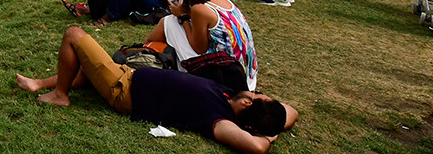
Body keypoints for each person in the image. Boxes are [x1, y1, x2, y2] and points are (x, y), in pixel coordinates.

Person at [15, 27, 294, 153]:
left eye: (258, 96)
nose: (256, 92)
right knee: (86, 67)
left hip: (122, 89)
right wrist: (273, 124)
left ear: (248, 106)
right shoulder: (230, 97)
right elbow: (291, 112)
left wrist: (266, 135)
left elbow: (257, 147)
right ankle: (40, 84)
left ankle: (60, 96)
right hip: (129, 76)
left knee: (74, 35)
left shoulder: (221, 120)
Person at [145, 0, 258, 90]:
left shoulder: (199, 9)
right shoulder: (224, 1)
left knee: (168, 21)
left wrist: (182, 16)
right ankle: (150, 52)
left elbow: (199, 48)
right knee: (172, 22)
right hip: (246, 75)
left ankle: (146, 50)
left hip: (223, 75)